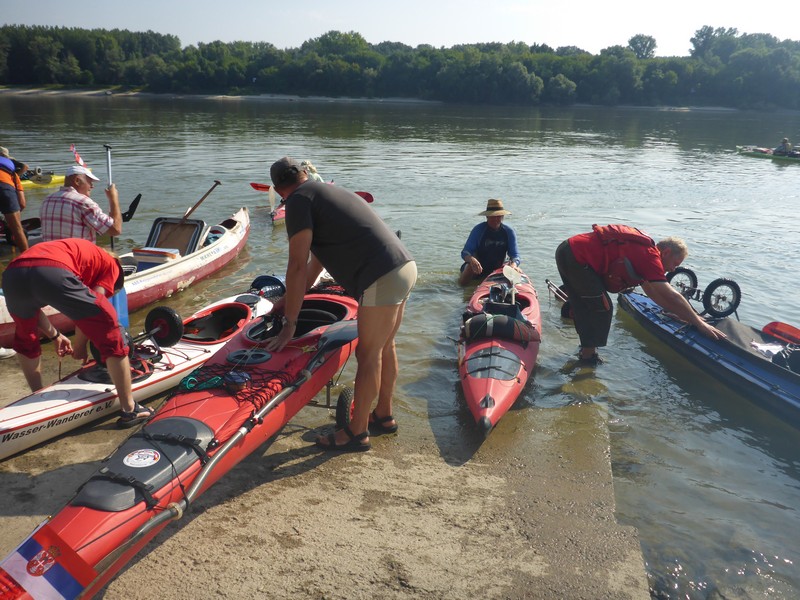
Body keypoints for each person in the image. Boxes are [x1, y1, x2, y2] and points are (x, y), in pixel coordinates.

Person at [266, 156, 416, 452]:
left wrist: (290, 326)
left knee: (368, 352)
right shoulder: (326, 193)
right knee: (386, 346)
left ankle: (356, 433)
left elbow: (296, 265)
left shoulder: (297, 201)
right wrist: (287, 302)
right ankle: (383, 415)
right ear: (305, 173)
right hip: (404, 266)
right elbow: (313, 267)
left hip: (380, 275)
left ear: (279, 190)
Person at [1, 238, 153, 427]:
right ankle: (130, 410)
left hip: (13, 274)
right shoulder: (113, 267)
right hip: (51, 271)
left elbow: (33, 309)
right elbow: (89, 316)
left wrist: (55, 336)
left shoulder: (87, 256)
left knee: (26, 336)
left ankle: (38, 399)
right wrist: (80, 347)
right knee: (110, 332)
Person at [555, 224, 725, 365]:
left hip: (567, 250)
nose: (673, 269)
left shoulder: (644, 255)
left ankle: (586, 352)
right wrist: (699, 324)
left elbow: (653, 293)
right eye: (675, 263)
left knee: (584, 306)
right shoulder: (651, 257)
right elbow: (671, 294)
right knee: (602, 308)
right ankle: (587, 359)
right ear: (665, 253)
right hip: (577, 257)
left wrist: (687, 316)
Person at [40, 165, 122, 243]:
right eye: (90, 182)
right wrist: (113, 198)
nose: (92, 186)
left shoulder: (47, 200)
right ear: (77, 181)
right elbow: (115, 230)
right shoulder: (83, 202)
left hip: (53, 255)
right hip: (76, 256)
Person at [458, 198, 521, 286]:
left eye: (498, 216)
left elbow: (515, 255)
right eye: (492, 216)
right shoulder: (479, 230)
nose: (495, 219)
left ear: (502, 216)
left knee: (516, 269)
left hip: (497, 268)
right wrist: (471, 259)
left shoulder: (509, 231)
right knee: (470, 267)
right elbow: (465, 252)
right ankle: (461, 290)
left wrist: (514, 265)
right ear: (487, 216)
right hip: (476, 268)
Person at [0, 146, 29, 254]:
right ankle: (26, 258)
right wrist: (12, 220)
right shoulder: (13, 174)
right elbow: (22, 203)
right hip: (4, 188)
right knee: (17, 229)